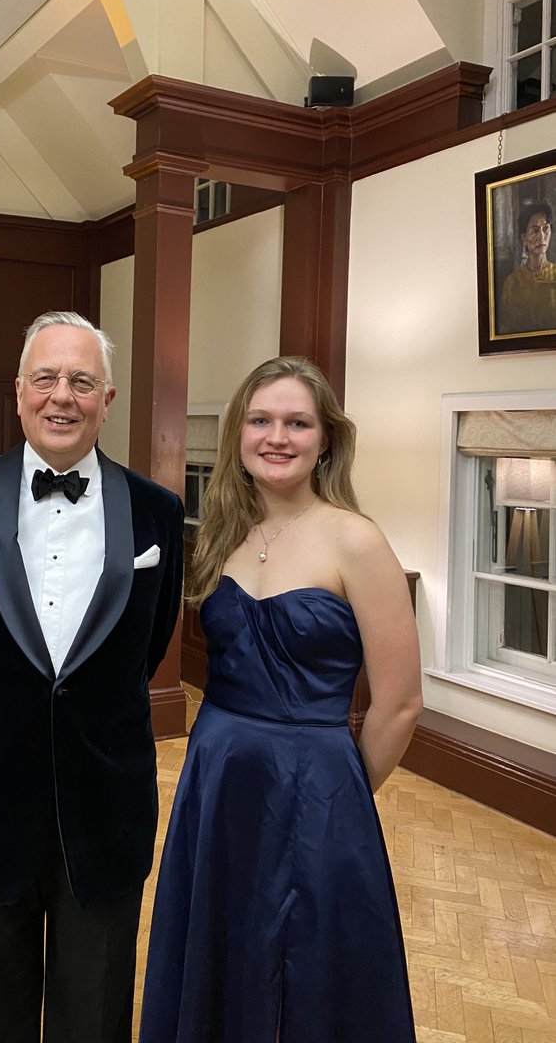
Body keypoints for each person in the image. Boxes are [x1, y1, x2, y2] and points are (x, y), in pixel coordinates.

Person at [0, 310, 184, 1043]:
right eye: (46, 378)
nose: (61, 395)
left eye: (81, 381)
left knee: (94, 1016)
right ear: (18, 392)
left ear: (108, 398)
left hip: (104, 809)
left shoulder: (159, 512)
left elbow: (149, 643)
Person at [139, 356, 422, 1043]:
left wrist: (341, 790)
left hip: (319, 784)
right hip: (218, 775)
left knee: (311, 955)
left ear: (326, 438)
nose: (278, 436)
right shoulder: (219, 535)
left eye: (298, 422)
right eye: (261, 420)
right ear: (238, 433)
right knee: (222, 937)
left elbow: (400, 702)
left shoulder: (357, 539)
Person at [499, 201, 556, 335]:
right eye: (535, 230)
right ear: (524, 238)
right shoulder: (511, 283)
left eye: (545, 229)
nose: (541, 236)